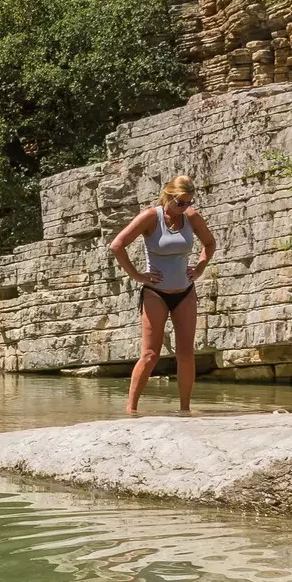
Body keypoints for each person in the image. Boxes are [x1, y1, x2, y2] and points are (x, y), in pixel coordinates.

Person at [110, 175, 215, 414]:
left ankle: (185, 410)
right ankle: (131, 410)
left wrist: (199, 267)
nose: (185, 207)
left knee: (186, 353)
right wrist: (138, 275)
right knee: (150, 354)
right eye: (180, 203)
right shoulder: (151, 217)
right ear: (168, 196)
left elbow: (209, 244)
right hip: (155, 293)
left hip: (185, 292)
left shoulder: (191, 217)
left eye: (189, 202)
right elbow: (117, 245)